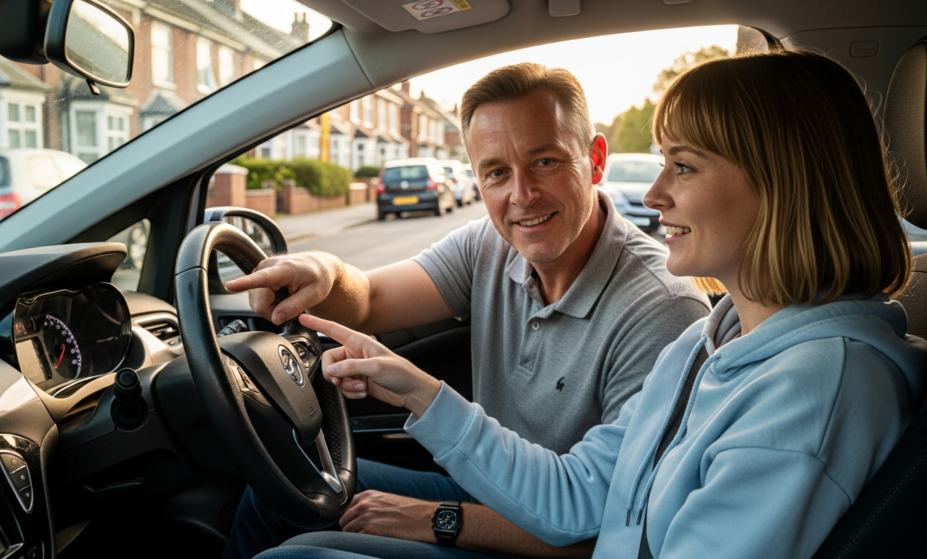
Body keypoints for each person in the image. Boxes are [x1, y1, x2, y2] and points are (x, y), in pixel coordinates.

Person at [254, 50, 927, 558]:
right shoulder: (717, 342)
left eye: (683, 166)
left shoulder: (811, 391)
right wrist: (423, 395)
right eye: (495, 172)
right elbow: (581, 498)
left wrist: (442, 518)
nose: (655, 193)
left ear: (784, 183)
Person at [222, 64, 710, 558]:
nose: (522, 195)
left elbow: (608, 524)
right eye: (497, 172)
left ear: (595, 158)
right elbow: (368, 296)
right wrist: (322, 267)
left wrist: (438, 518)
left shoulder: (662, 310)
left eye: (545, 162)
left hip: (557, 540)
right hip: (489, 494)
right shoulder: (491, 246)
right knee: (283, 485)